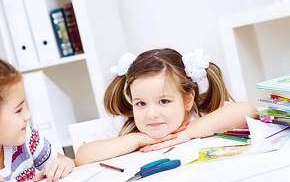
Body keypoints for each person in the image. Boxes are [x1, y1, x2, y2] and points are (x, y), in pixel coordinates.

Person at [75, 48, 256, 165]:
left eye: (163, 101)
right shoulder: (127, 126)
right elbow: (83, 156)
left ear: (187, 99)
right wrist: (135, 140)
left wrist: (189, 132)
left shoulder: (201, 115)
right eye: (141, 103)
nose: (151, 114)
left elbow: (248, 111)